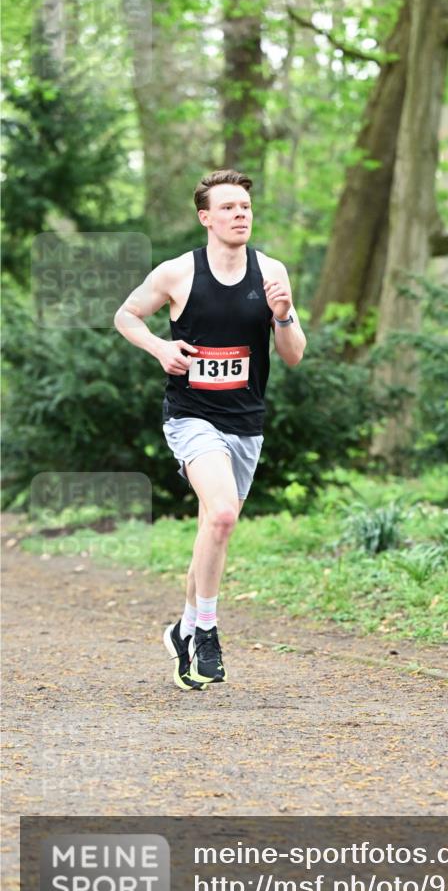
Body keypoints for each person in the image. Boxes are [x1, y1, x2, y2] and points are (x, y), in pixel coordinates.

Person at [114, 169, 307, 691]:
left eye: (245, 206)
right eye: (228, 207)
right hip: (191, 417)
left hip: (247, 424)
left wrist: (284, 315)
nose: (240, 214)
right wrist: (161, 348)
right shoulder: (178, 273)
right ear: (206, 217)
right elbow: (126, 315)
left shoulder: (270, 271)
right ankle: (207, 628)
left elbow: (292, 356)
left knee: (212, 530)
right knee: (222, 514)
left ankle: (181, 628)